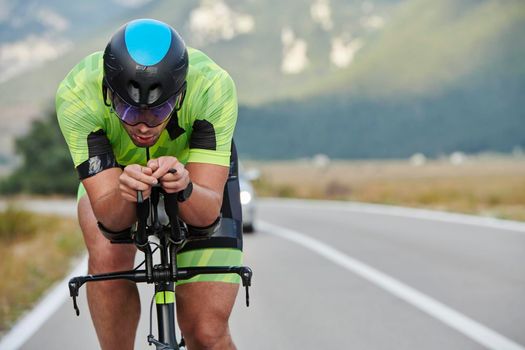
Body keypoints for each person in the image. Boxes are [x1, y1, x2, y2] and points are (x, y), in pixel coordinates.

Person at [56, 18, 243, 350]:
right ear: (106, 93)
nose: (143, 126)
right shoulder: (77, 92)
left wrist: (185, 187)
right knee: (108, 259)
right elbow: (112, 222)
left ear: (181, 96)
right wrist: (125, 191)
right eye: (127, 110)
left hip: (193, 173)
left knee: (207, 333)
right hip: (116, 173)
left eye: (159, 112)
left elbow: (205, 214)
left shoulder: (212, 86)